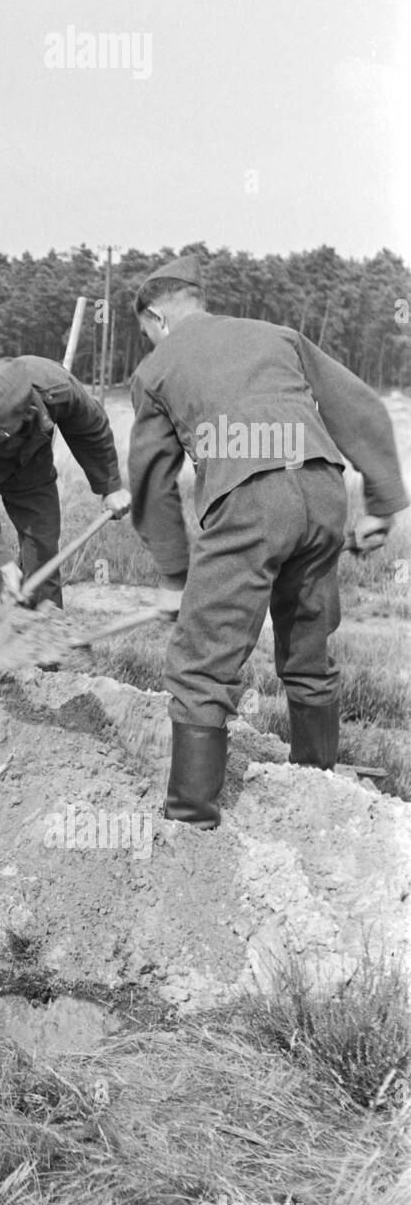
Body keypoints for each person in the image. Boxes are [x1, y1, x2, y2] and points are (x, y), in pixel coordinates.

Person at [128, 254, 408, 828]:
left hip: (249, 498)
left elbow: (153, 483)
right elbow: (358, 406)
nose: (149, 343)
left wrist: (176, 574)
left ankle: (189, 818)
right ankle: (317, 784)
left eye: (146, 334)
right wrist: (381, 502)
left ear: (157, 317)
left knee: (201, 663)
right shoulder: (278, 335)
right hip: (325, 491)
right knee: (308, 644)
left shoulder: (155, 371)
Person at [0, 355, 131, 620]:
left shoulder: (60, 388)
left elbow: (91, 428)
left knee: (42, 547)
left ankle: (42, 642)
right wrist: (1, 563)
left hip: (28, 459)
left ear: (28, 413)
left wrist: (110, 486)